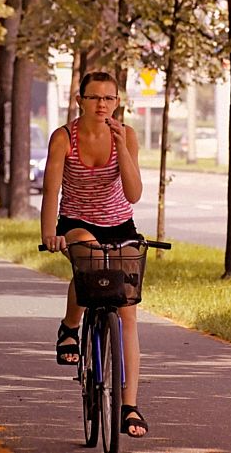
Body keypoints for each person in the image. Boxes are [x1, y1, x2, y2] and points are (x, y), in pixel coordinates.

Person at [40, 71, 147, 438]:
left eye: (109, 99)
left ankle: (129, 406)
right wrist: (50, 234)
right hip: (77, 220)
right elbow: (51, 189)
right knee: (87, 261)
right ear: (80, 100)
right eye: (95, 98)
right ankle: (70, 327)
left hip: (120, 224)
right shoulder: (63, 138)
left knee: (128, 313)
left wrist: (125, 150)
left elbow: (133, 195)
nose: (102, 105)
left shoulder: (126, 135)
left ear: (117, 102)